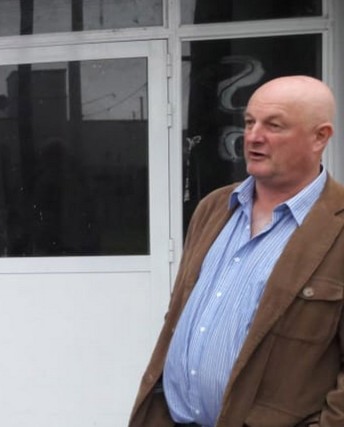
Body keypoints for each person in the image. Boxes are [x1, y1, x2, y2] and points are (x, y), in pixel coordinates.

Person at [130, 75, 340, 427]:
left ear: (320, 137)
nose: (253, 136)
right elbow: (179, 315)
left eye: (274, 126)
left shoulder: (336, 227)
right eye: (249, 122)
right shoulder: (215, 207)